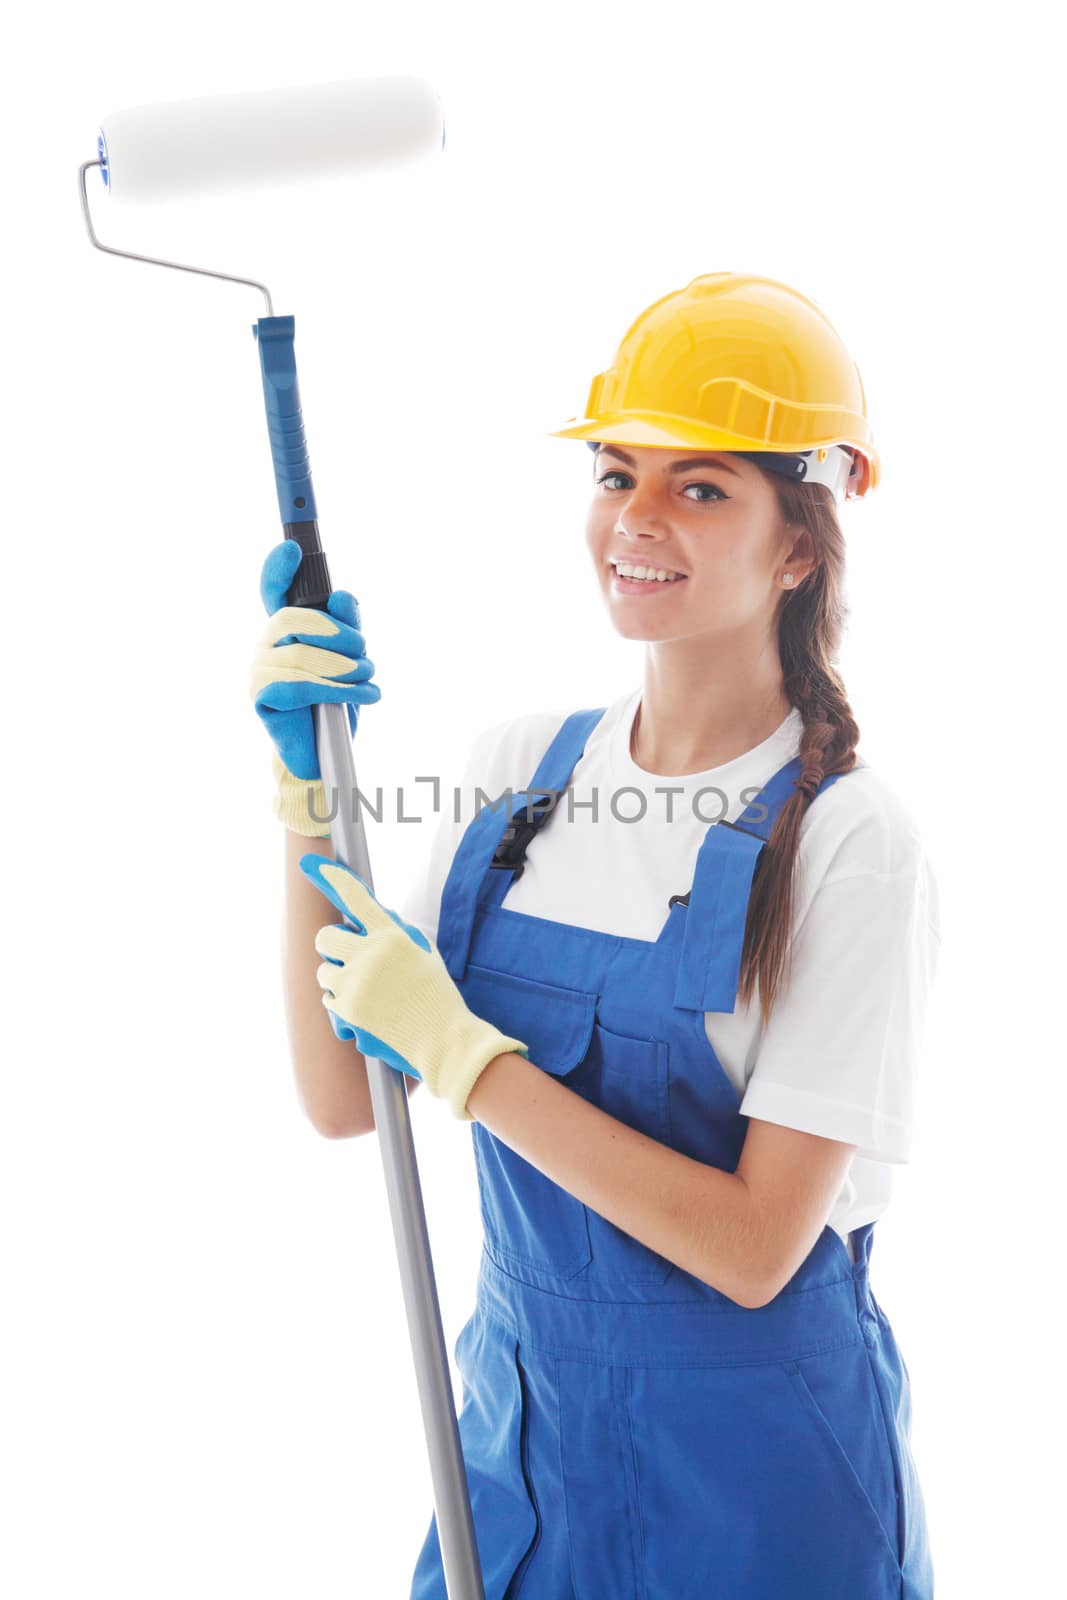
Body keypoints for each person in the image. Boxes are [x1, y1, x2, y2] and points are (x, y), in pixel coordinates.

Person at [250, 272, 940, 1599]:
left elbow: (752, 1252)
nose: (635, 520)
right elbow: (347, 1098)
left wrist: (468, 1060)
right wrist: (305, 803)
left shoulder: (850, 842)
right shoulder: (520, 777)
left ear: (800, 542)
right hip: (525, 1456)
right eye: (617, 472)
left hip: (763, 1495)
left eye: (701, 487)